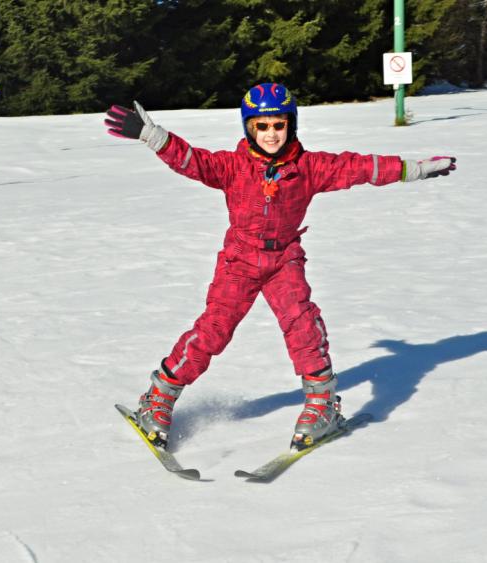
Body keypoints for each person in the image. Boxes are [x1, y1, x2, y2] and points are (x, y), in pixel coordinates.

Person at [104, 83, 456, 451]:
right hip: (239, 261)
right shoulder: (232, 166)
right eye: (262, 126)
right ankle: (159, 397)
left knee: (302, 324)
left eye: (278, 125)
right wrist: (150, 134)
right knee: (214, 330)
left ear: (291, 124)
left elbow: (360, 167)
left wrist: (414, 169)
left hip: (284, 261)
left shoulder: (310, 168)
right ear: (248, 128)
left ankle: (321, 405)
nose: (271, 134)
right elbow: (192, 161)